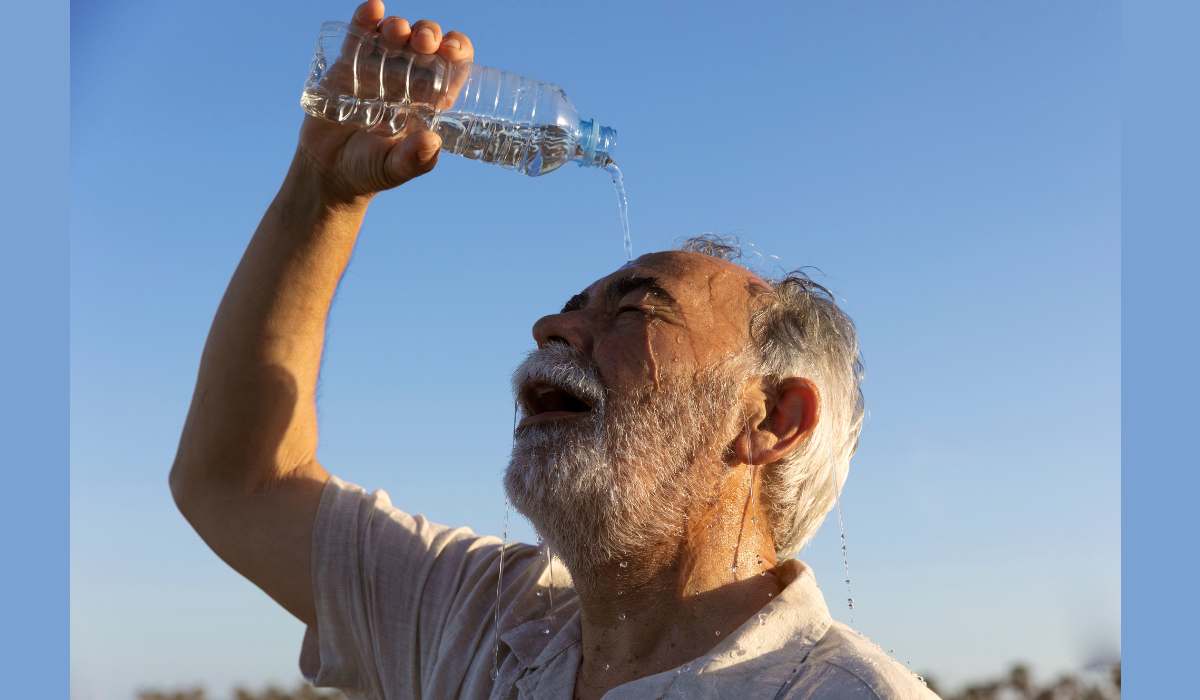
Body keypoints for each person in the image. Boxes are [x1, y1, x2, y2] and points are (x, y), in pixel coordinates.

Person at [170, 2, 940, 698]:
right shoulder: (482, 620)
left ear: (773, 419)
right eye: (570, 309)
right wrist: (322, 192)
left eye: (638, 308)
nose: (550, 327)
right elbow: (238, 481)